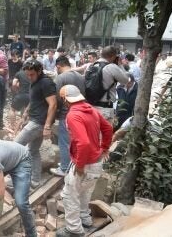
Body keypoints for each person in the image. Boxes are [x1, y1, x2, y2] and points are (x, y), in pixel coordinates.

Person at [56, 85, 113, 237]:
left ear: (65, 100)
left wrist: (80, 164)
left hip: (84, 162)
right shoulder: (91, 109)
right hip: (96, 161)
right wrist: (105, 148)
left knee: (70, 194)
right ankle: (85, 219)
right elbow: (108, 128)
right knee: (85, 191)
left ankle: (74, 229)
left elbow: (83, 143)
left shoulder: (73, 115)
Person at [14, 60, 57, 187]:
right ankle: (35, 180)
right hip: (34, 119)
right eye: (27, 74)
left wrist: (47, 126)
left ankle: (14, 177)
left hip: (39, 123)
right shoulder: (35, 82)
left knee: (15, 146)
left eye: (32, 74)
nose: (29, 77)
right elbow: (34, 100)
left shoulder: (46, 83)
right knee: (33, 150)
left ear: (39, 71)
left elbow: (53, 104)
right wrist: (26, 113)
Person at [51, 56, 85, 177]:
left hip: (66, 114)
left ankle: (64, 167)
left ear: (58, 66)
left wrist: (54, 115)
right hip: (80, 113)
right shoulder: (81, 76)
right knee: (74, 141)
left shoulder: (61, 77)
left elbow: (58, 98)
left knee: (64, 142)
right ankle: (71, 164)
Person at [93, 46, 129, 123]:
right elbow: (126, 80)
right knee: (105, 134)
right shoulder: (111, 67)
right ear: (113, 56)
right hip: (105, 108)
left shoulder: (92, 65)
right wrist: (120, 65)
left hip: (91, 106)